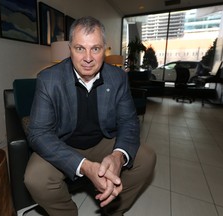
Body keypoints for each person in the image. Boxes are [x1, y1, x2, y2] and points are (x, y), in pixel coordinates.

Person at [24, 16, 156, 216]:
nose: (88, 58)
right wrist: (85, 167)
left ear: (104, 49)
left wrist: (118, 156)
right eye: (80, 48)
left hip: (102, 141)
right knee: (35, 178)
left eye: (95, 48)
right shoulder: (48, 79)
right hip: (64, 142)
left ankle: (113, 210)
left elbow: (129, 121)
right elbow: (38, 133)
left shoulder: (118, 77)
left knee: (146, 158)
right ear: (70, 49)